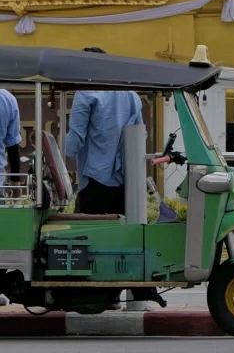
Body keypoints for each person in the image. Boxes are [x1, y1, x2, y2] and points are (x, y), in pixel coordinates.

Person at [64, 48, 159, 309]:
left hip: (95, 178)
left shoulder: (87, 93)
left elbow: (75, 140)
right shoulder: (130, 94)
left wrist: (57, 153)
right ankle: (115, 295)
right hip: (124, 179)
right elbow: (140, 134)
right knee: (120, 240)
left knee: (87, 239)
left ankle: (92, 296)